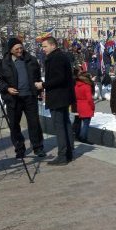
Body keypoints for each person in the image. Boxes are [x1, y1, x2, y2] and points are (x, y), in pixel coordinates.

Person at [0, 38, 46, 158]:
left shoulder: (31, 60)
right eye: (16, 49)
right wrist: (7, 88)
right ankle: (19, 148)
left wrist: (40, 90)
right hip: (13, 99)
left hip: (30, 97)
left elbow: (37, 76)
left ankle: (38, 147)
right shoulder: (3, 63)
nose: (19, 50)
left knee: (34, 123)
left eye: (21, 48)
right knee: (14, 125)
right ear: (10, 50)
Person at [39, 37, 76, 166]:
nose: (43, 49)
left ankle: (63, 155)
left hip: (58, 97)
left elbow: (59, 78)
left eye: (45, 46)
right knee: (65, 124)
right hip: (61, 96)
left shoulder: (57, 58)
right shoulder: (59, 56)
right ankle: (68, 153)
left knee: (59, 126)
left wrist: (43, 85)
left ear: (53, 45)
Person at [73, 71, 95, 144]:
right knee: (86, 124)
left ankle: (76, 136)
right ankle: (83, 138)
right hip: (86, 107)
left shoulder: (76, 86)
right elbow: (90, 99)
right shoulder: (87, 86)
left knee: (78, 122)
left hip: (78, 106)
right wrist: (93, 107)